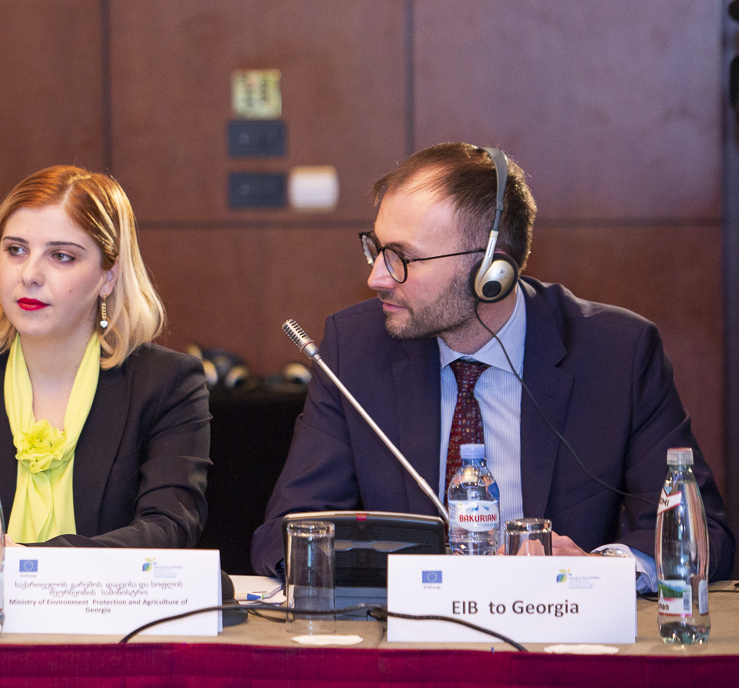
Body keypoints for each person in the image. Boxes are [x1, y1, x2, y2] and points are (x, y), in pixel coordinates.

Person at [251, 143, 734, 586]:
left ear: (491, 271)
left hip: (558, 635)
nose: (377, 276)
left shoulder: (616, 354)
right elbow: (285, 533)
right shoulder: (354, 348)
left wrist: (597, 570)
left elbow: (703, 534)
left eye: (402, 257)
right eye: (376, 248)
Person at [0, 165, 211, 548]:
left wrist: (28, 562)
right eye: (16, 250)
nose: (30, 274)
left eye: (61, 256)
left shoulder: (167, 384)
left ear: (108, 275)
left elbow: (168, 529)